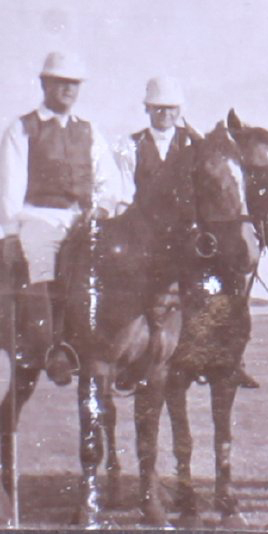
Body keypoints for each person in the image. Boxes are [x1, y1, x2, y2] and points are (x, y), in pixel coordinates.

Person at [114, 76, 259, 389]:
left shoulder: (195, 145)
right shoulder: (130, 145)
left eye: (170, 108)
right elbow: (125, 195)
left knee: (229, 276)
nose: (164, 114)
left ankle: (232, 357)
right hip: (145, 234)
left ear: (179, 110)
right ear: (147, 109)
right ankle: (132, 358)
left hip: (187, 233)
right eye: (158, 108)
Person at [0, 52, 134, 385]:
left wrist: (101, 208)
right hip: (36, 214)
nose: (67, 90)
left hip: (80, 217)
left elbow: (110, 181)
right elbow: (10, 183)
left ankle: (108, 345)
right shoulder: (23, 127)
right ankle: (48, 349)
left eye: (73, 84)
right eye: (60, 83)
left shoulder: (88, 131)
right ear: (45, 84)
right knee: (42, 260)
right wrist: (11, 232)